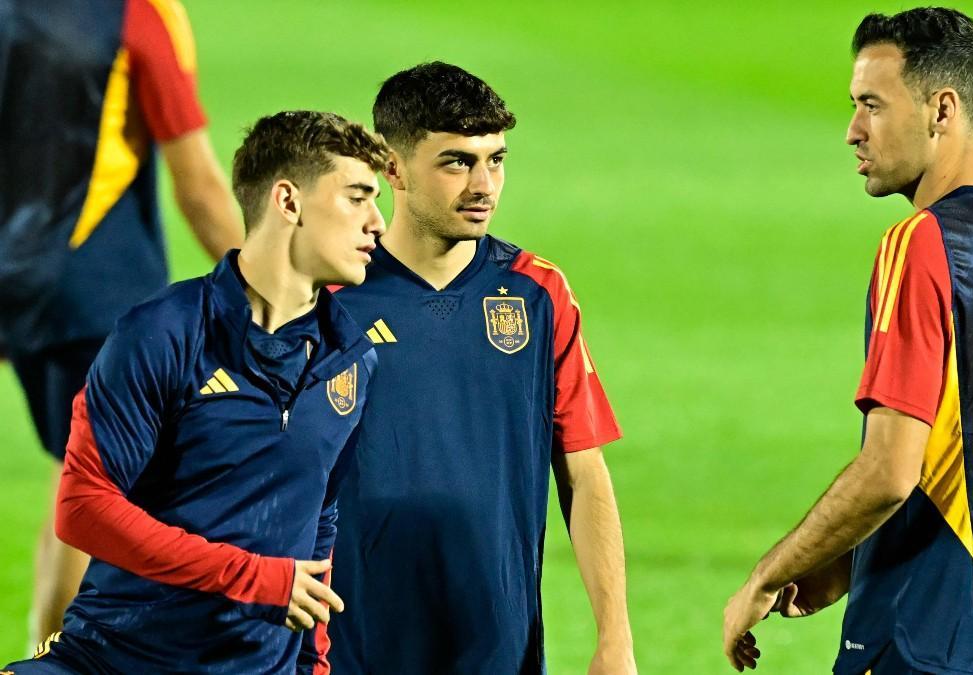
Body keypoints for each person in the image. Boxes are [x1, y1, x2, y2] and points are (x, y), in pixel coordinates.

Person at [722, 8, 973, 674]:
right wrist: (838, 557)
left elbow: (891, 470)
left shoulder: (920, 243)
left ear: (941, 110)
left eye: (871, 105)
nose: (852, 131)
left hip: (933, 640)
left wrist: (768, 572)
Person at [3, 110, 390, 673]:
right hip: (115, 658)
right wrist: (253, 578)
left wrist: (312, 663)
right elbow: (83, 508)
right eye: (357, 197)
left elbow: (319, 523)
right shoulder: (162, 332)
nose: (378, 221)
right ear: (289, 202)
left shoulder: (351, 360)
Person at [327, 62, 637, 674]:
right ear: (393, 168)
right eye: (456, 162)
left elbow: (583, 469)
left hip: (497, 644)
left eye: (496, 159)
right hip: (355, 645)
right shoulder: (331, 297)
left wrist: (615, 637)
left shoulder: (536, 292)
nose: (483, 185)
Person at [0, 0, 244, 647]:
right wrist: (276, 293)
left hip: (15, 269)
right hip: (93, 284)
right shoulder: (139, 14)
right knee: (101, 489)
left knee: (73, 470)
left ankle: (43, 649)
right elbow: (197, 183)